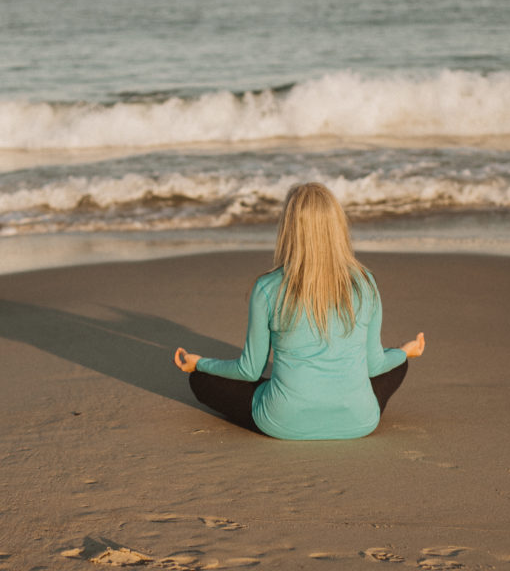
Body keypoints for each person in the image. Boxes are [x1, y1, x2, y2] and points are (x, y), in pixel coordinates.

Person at [173, 182, 425, 440]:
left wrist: (200, 363)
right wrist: (405, 351)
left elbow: (249, 370)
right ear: (337, 227)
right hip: (360, 421)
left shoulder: (267, 287)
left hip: (284, 421)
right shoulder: (366, 282)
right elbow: (375, 365)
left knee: (201, 381)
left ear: (289, 228)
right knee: (397, 363)